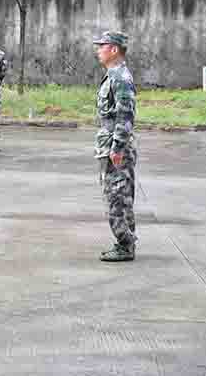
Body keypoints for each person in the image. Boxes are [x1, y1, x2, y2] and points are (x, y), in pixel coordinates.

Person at [93, 31, 138, 262]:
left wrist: (117, 148)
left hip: (116, 148)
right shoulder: (112, 75)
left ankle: (125, 245)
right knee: (119, 197)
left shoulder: (119, 77)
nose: (98, 50)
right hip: (109, 145)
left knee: (117, 198)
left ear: (114, 49)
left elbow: (125, 115)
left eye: (102, 46)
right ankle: (126, 241)